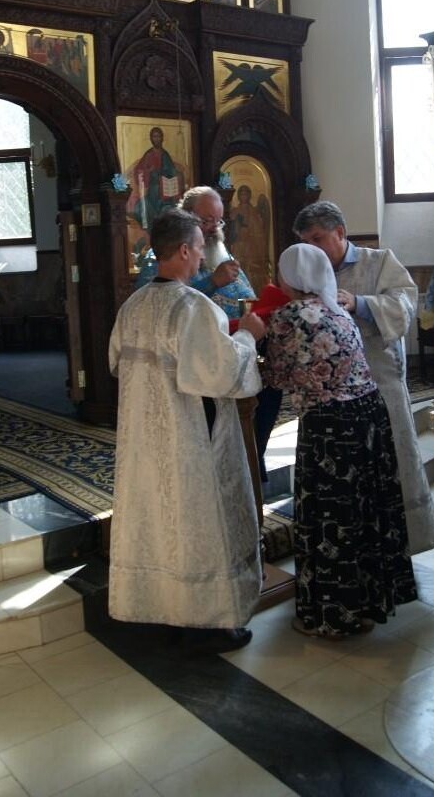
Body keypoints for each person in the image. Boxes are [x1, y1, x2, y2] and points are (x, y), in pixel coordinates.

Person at [108, 208, 266, 652]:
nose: (202, 258)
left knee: (157, 522)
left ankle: (159, 610)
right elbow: (221, 375)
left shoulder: (134, 305)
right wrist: (250, 335)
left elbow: (116, 361)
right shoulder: (195, 307)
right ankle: (209, 621)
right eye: (198, 249)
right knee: (199, 521)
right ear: (182, 249)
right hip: (189, 439)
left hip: (143, 440)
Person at [262, 244, 417, 638]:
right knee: (363, 511)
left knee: (330, 519)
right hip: (369, 418)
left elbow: (276, 378)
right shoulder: (337, 308)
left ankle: (333, 616)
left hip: (330, 427)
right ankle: (368, 604)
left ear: (290, 278)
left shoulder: (288, 317)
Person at [293, 201, 434, 556]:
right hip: (332, 394)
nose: (311, 248)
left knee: (392, 460)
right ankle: (358, 547)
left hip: (380, 379)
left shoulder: (378, 262)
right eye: (305, 241)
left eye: (317, 238)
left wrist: (360, 303)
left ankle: (400, 543)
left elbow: (406, 305)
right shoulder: (306, 274)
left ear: (340, 233)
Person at [137, 186, 281, 478]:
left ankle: (253, 456)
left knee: (271, 384)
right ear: (186, 219)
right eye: (206, 221)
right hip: (197, 361)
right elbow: (157, 302)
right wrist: (212, 282)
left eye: (219, 220)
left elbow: (245, 297)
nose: (214, 228)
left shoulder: (222, 252)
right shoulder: (158, 258)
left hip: (232, 347)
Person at [127, 126, 183, 234]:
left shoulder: (165, 155)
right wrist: (149, 171)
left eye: (158, 136)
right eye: (154, 136)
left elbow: (171, 171)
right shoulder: (148, 154)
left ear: (162, 138)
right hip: (153, 188)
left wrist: (174, 174)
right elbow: (139, 170)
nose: (156, 139)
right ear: (151, 139)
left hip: (166, 187)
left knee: (168, 207)